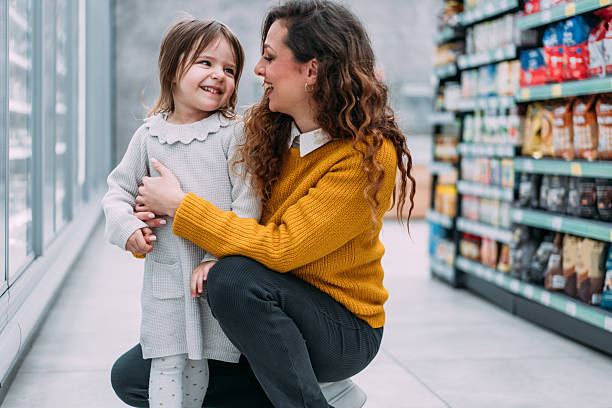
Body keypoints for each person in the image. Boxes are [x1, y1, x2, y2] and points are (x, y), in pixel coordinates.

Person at [113, 1, 416, 407]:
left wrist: (181, 207)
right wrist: (150, 220)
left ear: (312, 71)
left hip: (339, 328)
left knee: (233, 279)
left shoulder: (364, 156)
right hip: (263, 315)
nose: (257, 69)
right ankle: (317, 392)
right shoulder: (262, 128)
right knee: (134, 378)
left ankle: (308, 396)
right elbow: (204, 192)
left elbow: (282, 247)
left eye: (270, 57)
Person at [102, 18, 262, 408]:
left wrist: (214, 259)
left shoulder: (233, 133)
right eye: (205, 63)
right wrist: (128, 230)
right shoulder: (148, 135)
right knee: (166, 363)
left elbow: (247, 203)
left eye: (229, 69)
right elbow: (117, 192)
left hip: (210, 279)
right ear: (174, 68)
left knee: (200, 364)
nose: (219, 75)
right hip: (166, 283)